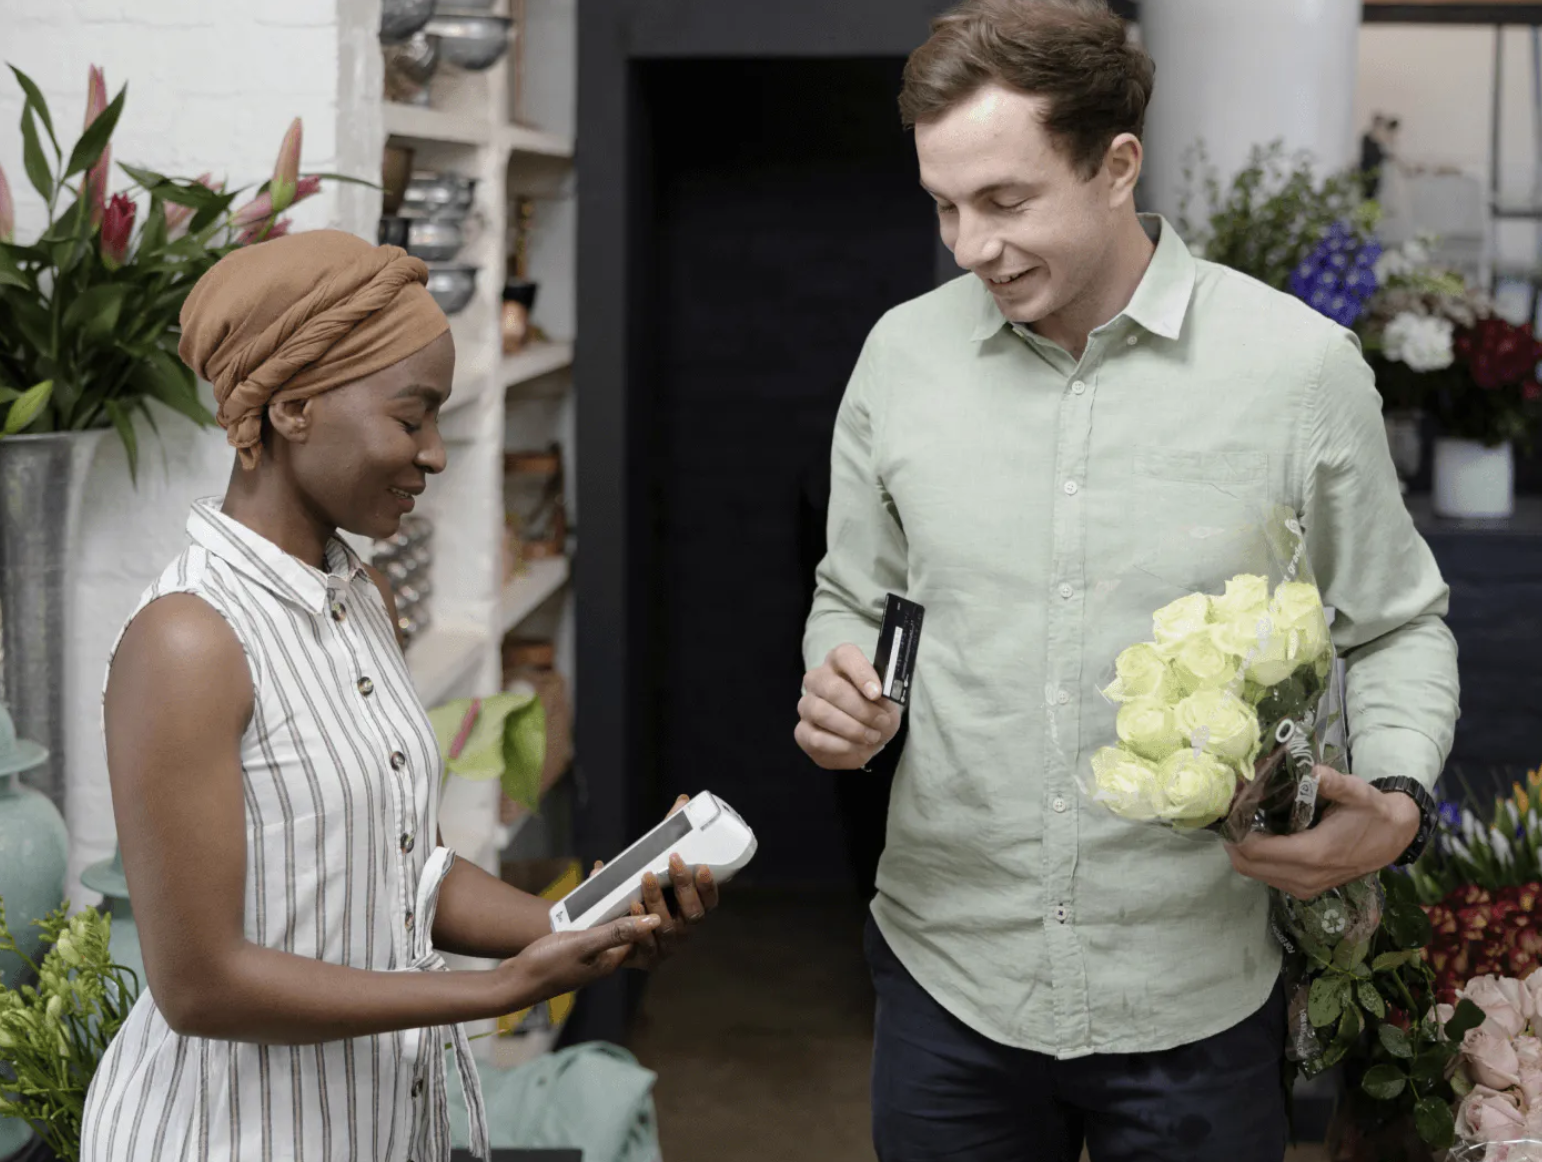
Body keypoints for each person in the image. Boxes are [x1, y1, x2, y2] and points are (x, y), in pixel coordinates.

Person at [794, 2, 1459, 1159]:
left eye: (1005, 202)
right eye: (944, 205)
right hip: (947, 975)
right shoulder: (900, 358)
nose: (970, 245)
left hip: (1196, 992)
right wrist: (836, 683)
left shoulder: (1297, 370)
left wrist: (1396, 797)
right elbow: (856, 592)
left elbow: (1397, 622)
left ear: (1116, 167)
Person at [81, 230, 719, 1161]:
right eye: (411, 418)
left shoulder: (358, 597)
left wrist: (582, 921)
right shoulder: (189, 641)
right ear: (292, 407)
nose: (435, 454)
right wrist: (498, 991)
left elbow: (402, 866)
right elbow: (200, 985)